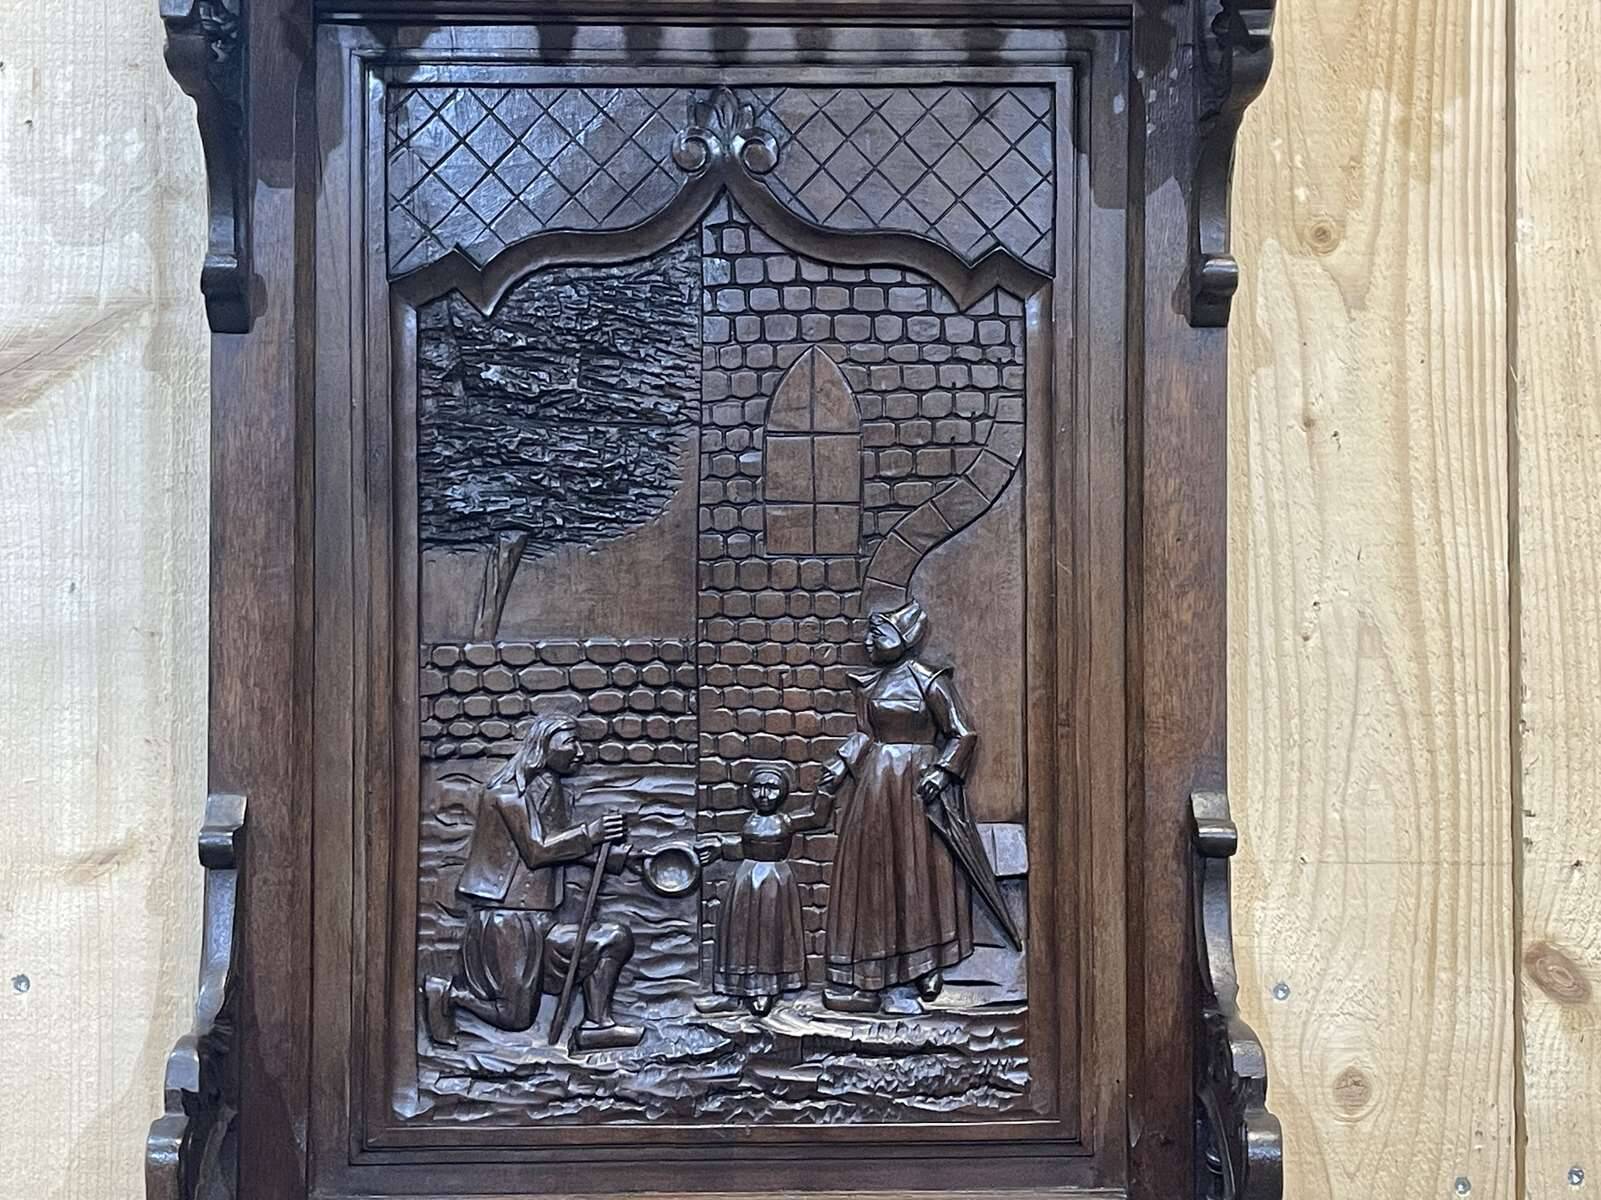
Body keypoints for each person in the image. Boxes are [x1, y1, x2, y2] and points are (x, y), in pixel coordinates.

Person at [422, 713, 643, 1052]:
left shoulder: (549, 790)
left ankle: (597, 1026)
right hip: (506, 922)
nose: (580, 752)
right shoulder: (507, 794)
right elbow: (538, 850)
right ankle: (448, 994)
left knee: (612, 939)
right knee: (517, 1019)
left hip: (543, 920)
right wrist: (591, 833)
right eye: (571, 743)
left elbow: (558, 844)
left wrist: (616, 858)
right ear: (543, 746)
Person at [816, 599, 977, 1014]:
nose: (868, 642)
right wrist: (840, 764)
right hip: (876, 783)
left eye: (878, 634)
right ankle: (873, 970)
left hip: (918, 785)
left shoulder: (930, 682)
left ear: (903, 639)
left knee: (919, 872)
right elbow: (865, 734)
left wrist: (942, 773)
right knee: (875, 874)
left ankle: (926, 962)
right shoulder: (870, 686)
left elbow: (962, 734)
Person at [695, 764, 830, 1016]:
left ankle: (765, 989)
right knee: (739, 936)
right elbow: (745, 847)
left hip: (774, 884)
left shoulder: (785, 821)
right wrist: (720, 848)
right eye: (757, 788)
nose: (763, 795)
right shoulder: (751, 820)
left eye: (771, 788)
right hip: (745, 882)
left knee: (768, 936)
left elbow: (817, 817)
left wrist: (827, 789)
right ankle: (731, 992)